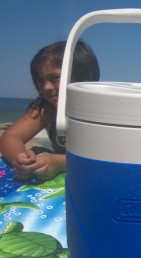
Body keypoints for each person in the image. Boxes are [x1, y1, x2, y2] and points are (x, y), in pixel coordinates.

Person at [0, 40, 99, 181]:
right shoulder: (48, 108)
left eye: (54, 78)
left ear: (82, 76)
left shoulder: (98, 110)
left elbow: (105, 158)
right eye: (41, 81)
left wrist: (60, 163)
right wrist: (20, 158)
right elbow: (10, 136)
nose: (46, 87)